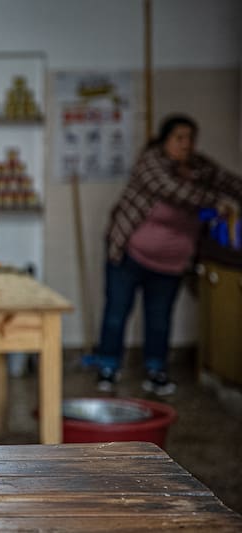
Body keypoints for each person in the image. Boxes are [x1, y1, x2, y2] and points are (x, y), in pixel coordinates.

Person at [89, 114, 242, 396]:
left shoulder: (200, 168)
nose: (186, 145)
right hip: (129, 254)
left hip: (171, 263)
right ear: (164, 140)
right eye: (179, 138)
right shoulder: (151, 163)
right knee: (116, 313)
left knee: (159, 318)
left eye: (190, 139)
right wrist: (216, 201)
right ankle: (108, 367)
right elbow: (177, 192)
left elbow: (228, 181)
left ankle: (155, 371)